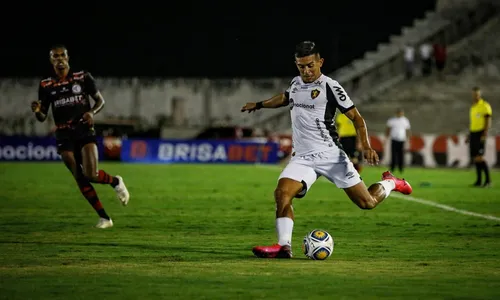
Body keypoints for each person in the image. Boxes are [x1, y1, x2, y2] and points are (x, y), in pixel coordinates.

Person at [241, 41, 412, 259]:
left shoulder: (330, 86)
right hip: (303, 157)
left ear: (320, 62)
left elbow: (357, 118)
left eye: (310, 65)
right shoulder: (295, 83)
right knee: (282, 194)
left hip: (331, 156)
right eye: (301, 66)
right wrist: (259, 104)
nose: (306, 71)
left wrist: (366, 146)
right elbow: (284, 98)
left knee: (367, 202)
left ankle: (391, 182)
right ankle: (284, 247)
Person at [31, 45, 130, 228]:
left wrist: (91, 112)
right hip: (63, 133)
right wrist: (37, 111)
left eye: (62, 56)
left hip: (84, 130)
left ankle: (116, 181)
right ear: (51, 60)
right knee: (79, 176)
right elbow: (42, 116)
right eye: (55, 57)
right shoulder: (46, 85)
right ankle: (104, 218)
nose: (60, 59)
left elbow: (100, 101)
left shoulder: (83, 77)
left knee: (91, 174)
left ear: (68, 58)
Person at [466, 87, 492, 187]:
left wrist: (484, 133)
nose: (475, 96)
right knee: (476, 158)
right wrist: (469, 135)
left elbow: (487, 120)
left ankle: (488, 181)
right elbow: (473, 122)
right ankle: (479, 181)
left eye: (476, 94)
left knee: (480, 157)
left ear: (479, 95)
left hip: (480, 133)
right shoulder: (473, 107)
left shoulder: (485, 106)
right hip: (473, 133)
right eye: (473, 94)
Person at [385, 108, 411, 173]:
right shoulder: (392, 120)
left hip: (402, 140)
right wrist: (386, 138)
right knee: (393, 154)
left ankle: (401, 168)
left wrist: (408, 139)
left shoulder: (405, 120)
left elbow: (407, 130)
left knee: (401, 155)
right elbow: (388, 129)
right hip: (394, 139)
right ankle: (392, 168)